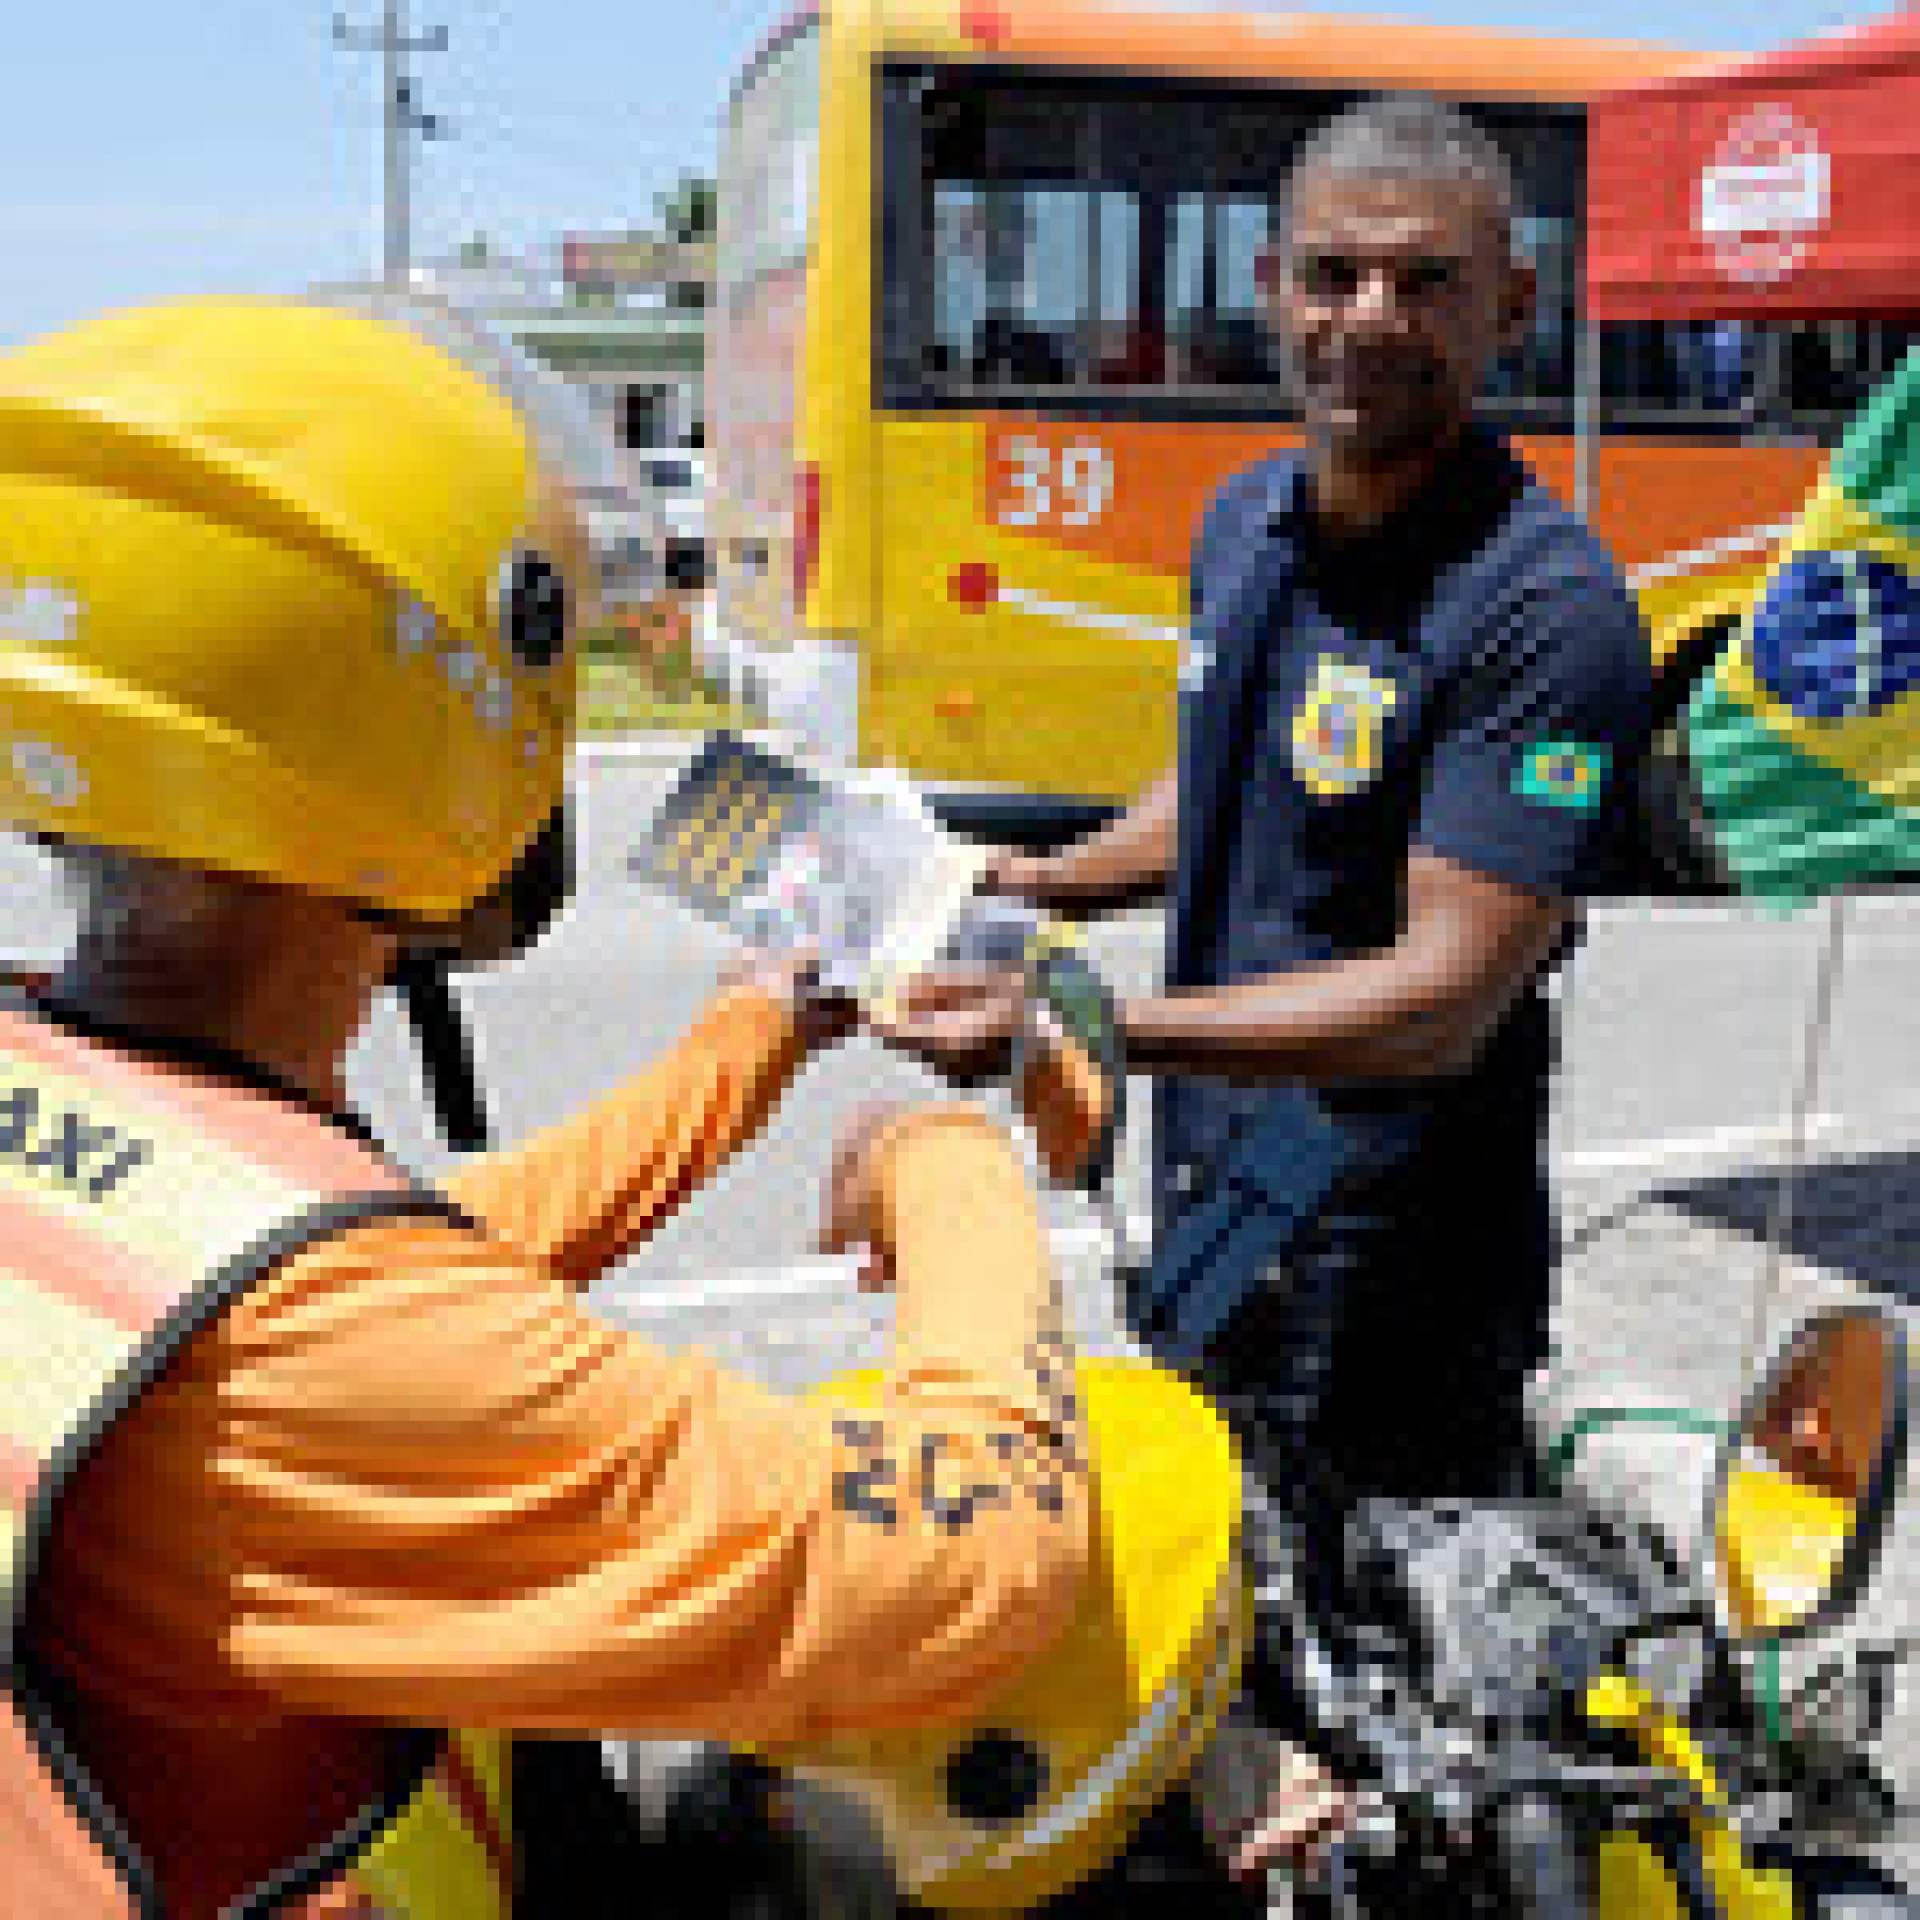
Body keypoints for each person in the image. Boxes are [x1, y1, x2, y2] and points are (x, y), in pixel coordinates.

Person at [0, 290, 1095, 1920]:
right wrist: (946, 1160)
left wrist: (757, 1035)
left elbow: (372, 1261)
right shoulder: (324, 1350)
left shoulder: (71, 1092)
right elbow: (969, 1568)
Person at [880, 93, 1659, 1882]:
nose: (1369, 316)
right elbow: (1230, 779)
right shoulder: (1248, 523)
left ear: (1509, 312)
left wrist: (1081, 1023)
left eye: (1424, 281)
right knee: (1225, 1597)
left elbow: (1444, 994)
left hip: (1400, 1257)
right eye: (1332, 274)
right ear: (1270, 288)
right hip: (1220, 1197)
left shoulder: (1545, 611)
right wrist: (1050, 879)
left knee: (1398, 1704)